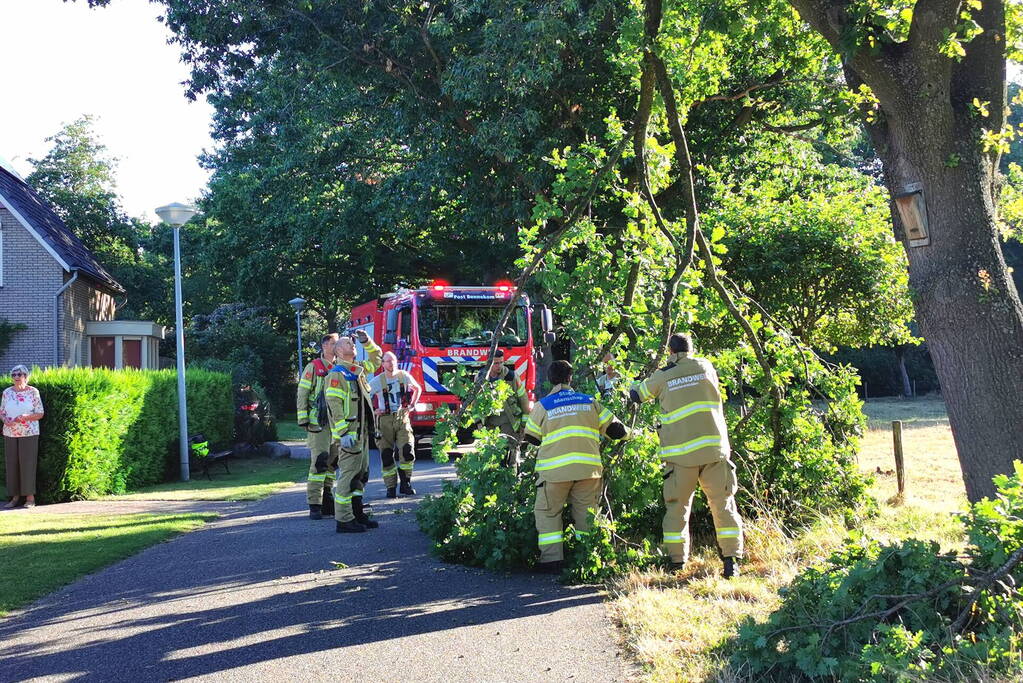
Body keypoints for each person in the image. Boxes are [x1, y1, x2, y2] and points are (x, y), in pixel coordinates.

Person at [630, 333, 743, 579]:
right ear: (691, 349)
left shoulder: (663, 375)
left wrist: (633, 383)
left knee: (677, 509)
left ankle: (676, 563)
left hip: (681, 456)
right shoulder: (706, 367)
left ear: (670, 351)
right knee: (723, 506)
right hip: (714, 450)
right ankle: (731, 561)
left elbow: (638, 395)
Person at [523, 360, 627, 574]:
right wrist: (632, 434)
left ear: (550, 380)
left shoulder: (544, 405)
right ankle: (586, 558)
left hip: (554, 474)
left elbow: (531, 437)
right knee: (586, 515)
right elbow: (617, 431)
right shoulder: (589, 402)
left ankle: (552, 561)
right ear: (570, 378)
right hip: (588, 472)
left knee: (548, 514)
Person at [326, 329, 382, 533]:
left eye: (353, 343)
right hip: (350, 436)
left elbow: (377, 359)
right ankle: (344, 519)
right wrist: (343, 434)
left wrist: (367, 341)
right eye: (347, 343)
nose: (352, 344)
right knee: (348, 476)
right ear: (339, 351)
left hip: (362, 434)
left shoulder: (357, 369)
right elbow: (334, 406)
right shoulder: (337, 374)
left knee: (361, 475)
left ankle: (357, 513)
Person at [296, 333, 338, 520]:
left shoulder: (340, 367)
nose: (337, 347)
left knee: (332, 464)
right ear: (325, 346)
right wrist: (303, 418)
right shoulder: (313, 367)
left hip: (336, 424)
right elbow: (302, 392)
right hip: (318, 424)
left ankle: (328, 501)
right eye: (334, 343)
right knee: (319, 462)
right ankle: (314, 504)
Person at [370, 351, 422, 498]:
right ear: (382, 364)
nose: (391, 363)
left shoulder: (404, 376)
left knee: (407, 450)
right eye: (387, 361)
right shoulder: (377, 381)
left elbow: (417, 388)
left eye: (393, 360)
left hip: (402, 418)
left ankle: (406, 483)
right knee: (386, 454)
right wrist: (374, 410)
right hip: (384, 420)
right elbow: (364, 396)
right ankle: (390, 487)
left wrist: (412, 405)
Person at [478, 349, 530, 465]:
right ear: (488, 362)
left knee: (511, 456)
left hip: (509, 423)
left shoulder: (511, 377)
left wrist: (523, 425)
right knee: (493, 458)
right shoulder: (481, 377)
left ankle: (511, 473)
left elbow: (524, 401)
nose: (499, 366)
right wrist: (478, 422)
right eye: (496, 363)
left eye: (501, 362)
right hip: (490, 423)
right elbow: (476, 402)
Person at [2, 365, 45, 509]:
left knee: (28, 464)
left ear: (25, 376)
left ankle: (30, 498)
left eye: (19, 374)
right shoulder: (7, 392)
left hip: (29, 432)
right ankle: (14, 498)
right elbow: (2, 412)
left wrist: (25, 417)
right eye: (13, 374)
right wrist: (5, 420)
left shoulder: (33, 392)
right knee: (12, 464)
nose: (16, 377)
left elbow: (40, 413)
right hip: (10, 432)